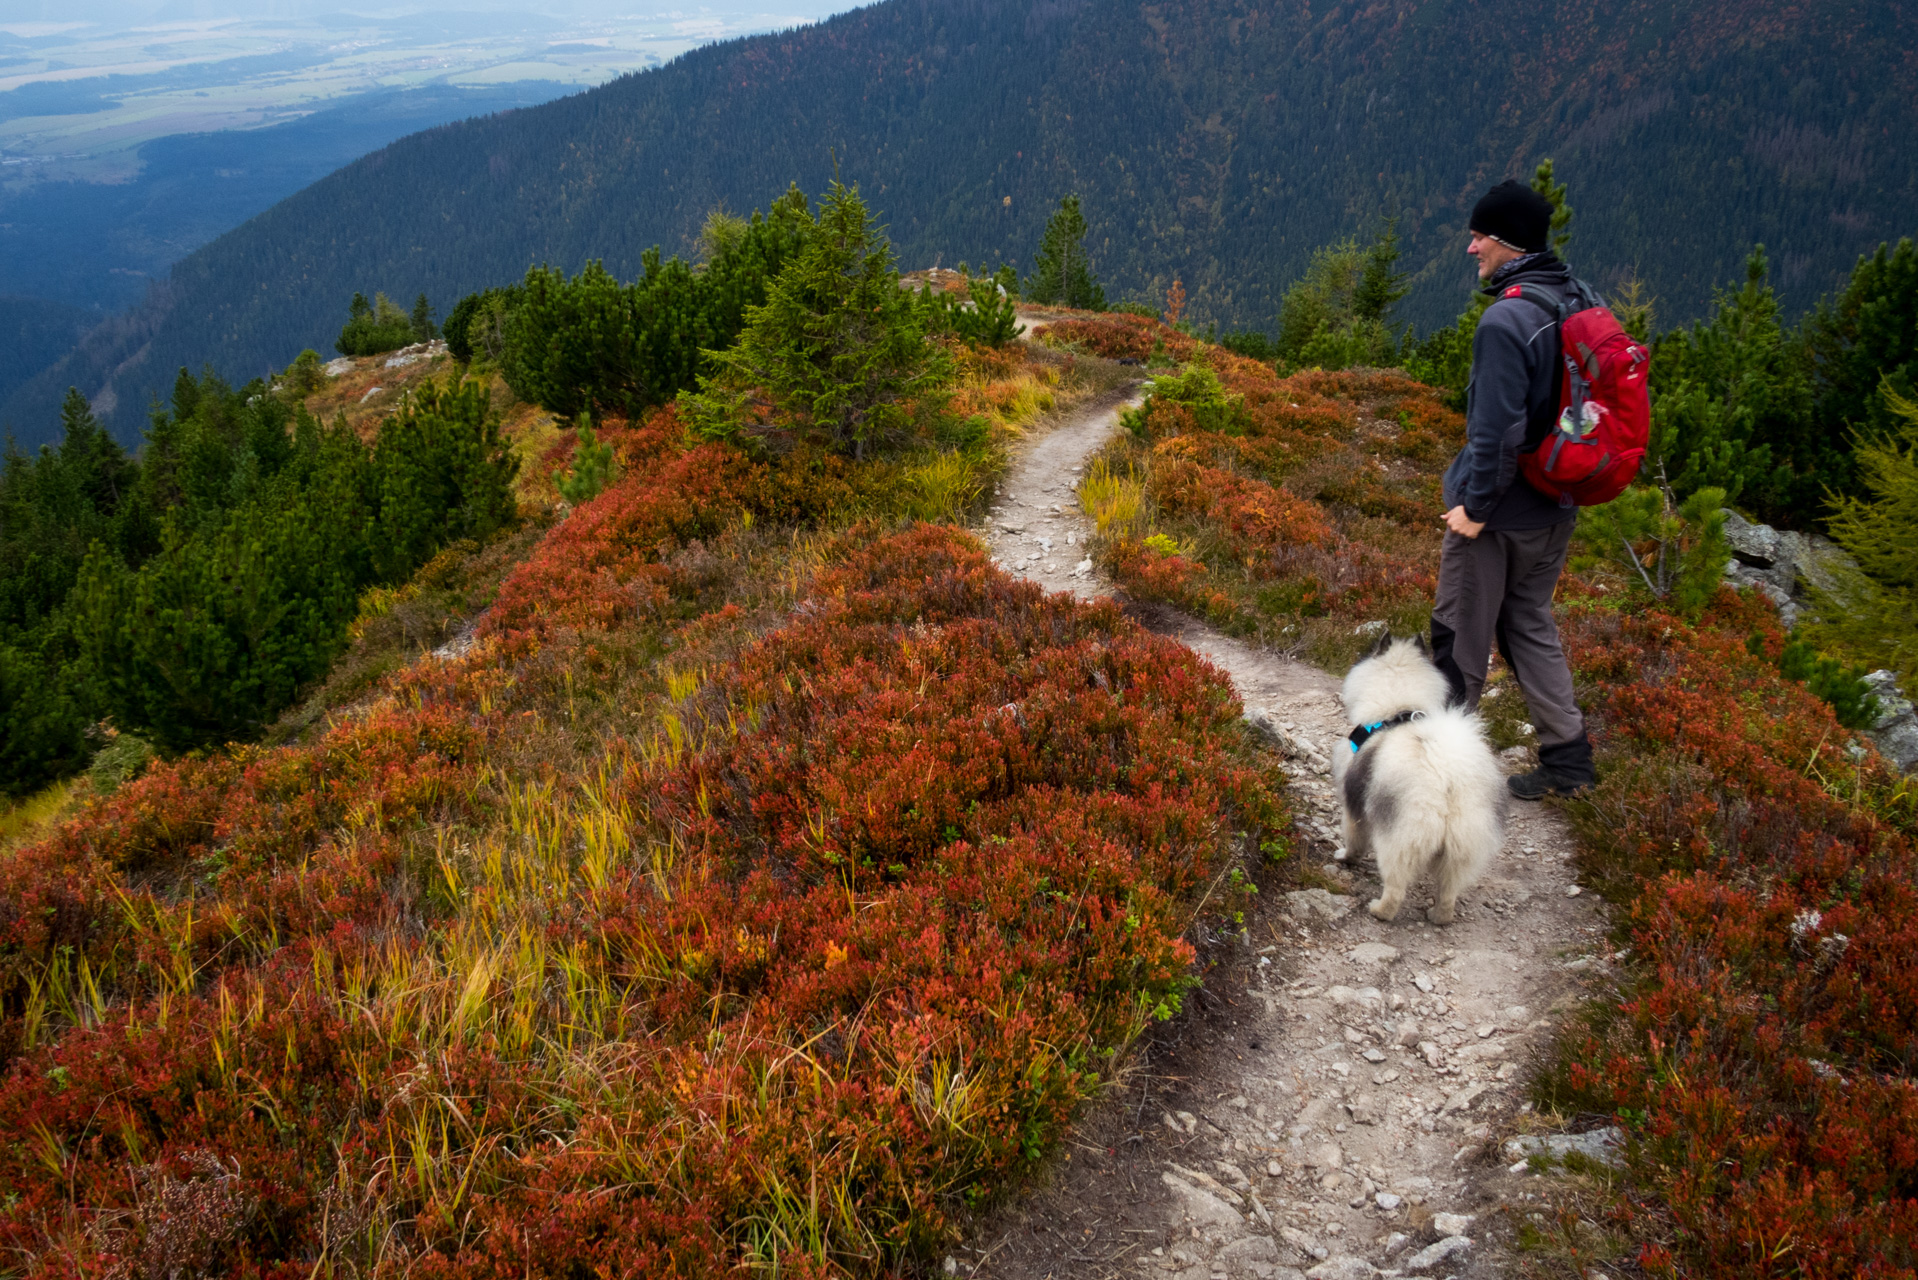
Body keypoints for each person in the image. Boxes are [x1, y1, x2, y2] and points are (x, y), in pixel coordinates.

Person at [1431, 179, 1598, 800]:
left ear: (1507, 243)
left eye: (1480, 237)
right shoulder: (1575, 297)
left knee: (1459, 633)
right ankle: (1569, 762)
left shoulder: (1507, 320)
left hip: (1500, 518)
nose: (1472, 249)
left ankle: (1441, 775)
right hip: (1557, 504)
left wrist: (1475, 508)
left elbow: (1495, 433)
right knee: (1528, 622)